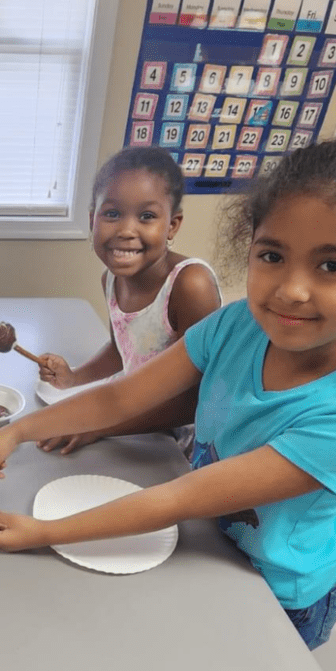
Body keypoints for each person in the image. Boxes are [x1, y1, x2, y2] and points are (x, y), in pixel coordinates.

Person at [0, 139, 336, 649]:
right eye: (272, 255)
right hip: (209, 540)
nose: (292, 290)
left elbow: (178, 498)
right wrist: (16, 431)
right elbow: (119, 398)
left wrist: (44, 532)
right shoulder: (237, 325)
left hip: (279, 591)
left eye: (331, 266)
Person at [36, 146, 222, 454]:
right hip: (133, 418)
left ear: (172, 225)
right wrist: (73, 379)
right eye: (112, 214)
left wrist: (98, 427)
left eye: (146, 216)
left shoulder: (190, 285)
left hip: (182, 442)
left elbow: (192, 399)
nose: (126, 230)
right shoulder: (110, 279)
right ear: (92, 219)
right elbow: (122, 349)